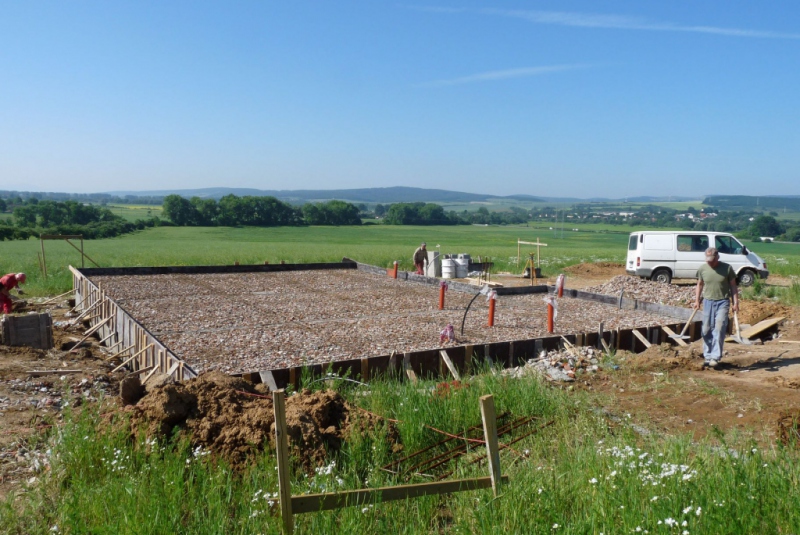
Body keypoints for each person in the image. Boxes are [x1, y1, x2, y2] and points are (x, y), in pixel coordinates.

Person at [694, 248, 738, 368]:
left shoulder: (727, 268)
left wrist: (735, 303)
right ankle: (707, 356)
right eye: (708, 260)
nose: (710, 262)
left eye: (712, 260)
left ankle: (715, 357)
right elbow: (700, 284)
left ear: (717, 257)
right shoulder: (703, 268)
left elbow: (733, 286)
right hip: (708, 302)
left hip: (722, 302)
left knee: (719, 328)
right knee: (706, 330)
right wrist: (697, 300)